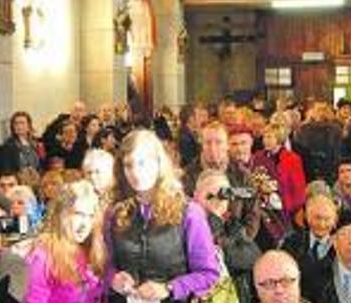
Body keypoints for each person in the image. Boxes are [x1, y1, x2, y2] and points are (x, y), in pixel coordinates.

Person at [108, 129, 220, 303]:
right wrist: (113, 278)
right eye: (128, 165)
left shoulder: (189, 212)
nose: (136, 172)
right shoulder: (115, 212)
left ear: (159, 163)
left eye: (143, 163)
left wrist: (170, 288)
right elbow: (103, 265)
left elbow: (208, 274)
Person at [24, 179, 105, 302]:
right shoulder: (43, 255)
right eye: (78, 214)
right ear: (62, 214)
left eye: (90, 216)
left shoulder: (91, 250)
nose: (85, 224)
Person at [194, 169, 260, 303]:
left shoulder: (234, 227)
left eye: (222, 196)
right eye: (209, 196)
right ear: (195, 196)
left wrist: (215, 219)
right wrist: (213, 219)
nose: (216, 201)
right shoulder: (183, 226)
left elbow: (248, 261)